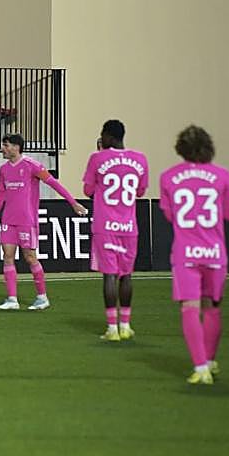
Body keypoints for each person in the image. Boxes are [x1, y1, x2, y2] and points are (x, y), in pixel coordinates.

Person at [158, 125, 229, 386]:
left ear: (181, 148)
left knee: (189, 307)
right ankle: (211, 361)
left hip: (186, 253)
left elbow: (169, 215)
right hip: (215, 252)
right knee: (212, 307)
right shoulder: (223, 176)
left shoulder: (169, 177)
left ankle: (200, 366)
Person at [0, 133, 87, 311]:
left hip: (27, 220)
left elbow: (53, 183)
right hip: (8, 220)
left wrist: (73, 203)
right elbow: (1, 194)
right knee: (8, 256)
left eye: (5, 145)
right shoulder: (4, 169)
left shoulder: (32, 166)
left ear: (16, 147)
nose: (2, 148)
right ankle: (12, 299)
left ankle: (42, 297)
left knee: (30, 257)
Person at [81, 119, 149, 341]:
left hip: (105, 225)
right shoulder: (140, 159)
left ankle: (112, 328)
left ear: (108, 136)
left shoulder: (97, 158)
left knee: (109, 275)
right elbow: (139, 192)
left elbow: (88, 189)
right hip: (129, 227)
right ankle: (126, 325)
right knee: (126, 276)